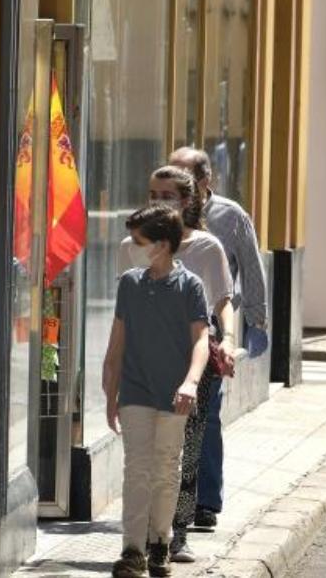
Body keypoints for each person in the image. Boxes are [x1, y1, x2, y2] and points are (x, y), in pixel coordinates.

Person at [119, 166, 236, 564]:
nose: (158, 201)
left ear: (187, 201)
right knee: (143, 458)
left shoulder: (207, 248)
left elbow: (223, 303)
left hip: (192, 366)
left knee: (183, 451)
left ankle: (173, 535)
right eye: (153, 193)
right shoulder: (131, 247)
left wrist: (228, 342)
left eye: (167, 194)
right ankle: (144, 540)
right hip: (142, 366)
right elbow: (127, 308)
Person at [104, 205, 211, 578]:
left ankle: (160, 543)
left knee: (166, 469)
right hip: (135, 391)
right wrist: (109, 393)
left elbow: (201, 341)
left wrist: (190, 382)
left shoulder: (190, 287)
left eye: (139, 241)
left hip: (174, 394)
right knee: (136, 469)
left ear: (162, 245)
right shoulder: (129, 284)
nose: (132, 246)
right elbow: (117, 343)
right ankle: (132, 551)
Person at [169, 147, 269, 531]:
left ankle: (204, 501)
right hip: (167, 326)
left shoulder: (230, 216)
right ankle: (173, 500)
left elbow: (251, 267)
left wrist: (256, 321)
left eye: (183, 175)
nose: (173, 182)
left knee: (206, 418)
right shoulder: (164, 216)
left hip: (211, 328)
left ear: (205, 181)